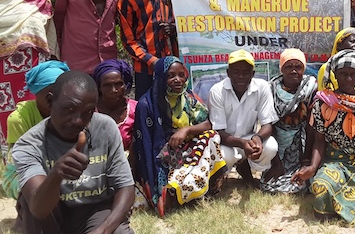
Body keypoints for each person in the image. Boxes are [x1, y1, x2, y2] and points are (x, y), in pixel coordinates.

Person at [12, 71, 134, 234]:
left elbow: (126, 187)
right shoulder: (30, 144)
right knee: (29, 201)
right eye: (69, 109)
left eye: (87, 112)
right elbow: (38, 208)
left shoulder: (104, 127)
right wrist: (56, 174)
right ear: (50, 101)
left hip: (92, 210)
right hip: (52, 211)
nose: (78, 120)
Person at [291, 50, 355, 226]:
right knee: (321, 187)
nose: (348, 79)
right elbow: (319, 142)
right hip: (335, 161)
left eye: (353, 74)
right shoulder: (324, 102)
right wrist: (313, 167)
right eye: (343, 74)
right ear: (335, 75)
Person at [135, 57, 226, 216]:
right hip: (163, 156)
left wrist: (186, 130)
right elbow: (145, 146)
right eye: (171, 76)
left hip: (188, 150)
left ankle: (202, 189)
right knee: (175, 184)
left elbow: (208, 123)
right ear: (160, 77)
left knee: (211, 137)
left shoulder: (188, 97)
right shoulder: (146, 105)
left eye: (181, 75)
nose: (177, 80)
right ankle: (175, 193)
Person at [0, 0, 58, 145]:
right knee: (9, 123)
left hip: (36, 72)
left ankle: (45, 163)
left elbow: (50, 34)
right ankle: (13, 164)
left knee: (40, 117)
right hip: (0, 76)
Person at [208, 50, 279, 187]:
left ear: (253, 74)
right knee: (225, 156)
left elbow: (267, 124)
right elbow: (218, 132)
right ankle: (219, 176)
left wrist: (257, 139)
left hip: (248, 139)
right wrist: (242, 144)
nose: (241, 76)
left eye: (245, 72)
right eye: (236, 72)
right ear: (228, 73)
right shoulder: (217, 91)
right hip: (224, 142)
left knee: (270, 146)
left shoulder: (262, 87)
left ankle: (247, 169)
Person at [3, 61, 69, 200]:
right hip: (22, 172)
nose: (55, 98)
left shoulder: (71, 112)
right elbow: (20, 162)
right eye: (49, 92)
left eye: (60, 91)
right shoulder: (19, 119)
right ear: (36, 92)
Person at [119, 0, 178, 99]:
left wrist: (174, 28)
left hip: (175, 64)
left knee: (177, 108)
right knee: (146, 109)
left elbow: (189, 21)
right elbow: (128, 41)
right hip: (145, 69)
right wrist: (153, 61)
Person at [261, 49, 317, 193]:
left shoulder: (310, 87)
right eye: (288, 67)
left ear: (304, 69)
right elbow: (269, 125)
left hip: (302, 144)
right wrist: (276, 164)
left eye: (298, 67)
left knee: (308, 182)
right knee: (269, 183)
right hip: (278, 143)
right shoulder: (271, 89)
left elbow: (311, 125)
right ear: (281, 69)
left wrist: (306, 159)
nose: (293, 71)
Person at [92, 59, 136, 154]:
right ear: (99, 87)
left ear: (125, 85)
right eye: (107, 85)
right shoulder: (90, 111)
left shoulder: (135, 109)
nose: (113, 90)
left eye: (118, 84)